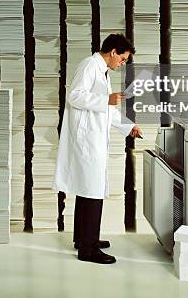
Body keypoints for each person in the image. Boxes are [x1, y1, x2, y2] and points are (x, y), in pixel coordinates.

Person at [53, 33, 143, 264]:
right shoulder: (90, 65)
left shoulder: (101, 70)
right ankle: (88, 249)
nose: (122, 63)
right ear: (113, 52)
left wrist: (129, 127)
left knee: (88, 188)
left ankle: (83, 238)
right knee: (92, 190)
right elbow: (74, 96)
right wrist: (106, 100)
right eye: (122, 59)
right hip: (86, 140)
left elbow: (108, 109)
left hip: (92, 138)